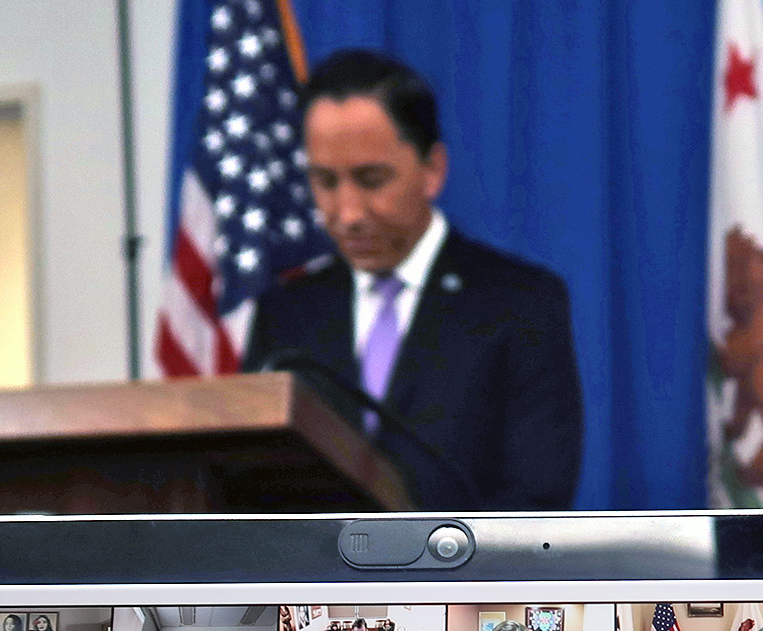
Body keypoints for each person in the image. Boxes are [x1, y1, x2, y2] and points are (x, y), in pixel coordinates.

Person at [244, 50, 584, 511]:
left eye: (371, 179)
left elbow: (537, 496)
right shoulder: (285, 316)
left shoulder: (521, 305)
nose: (346, 213)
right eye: (325, 181)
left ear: (432, 170)